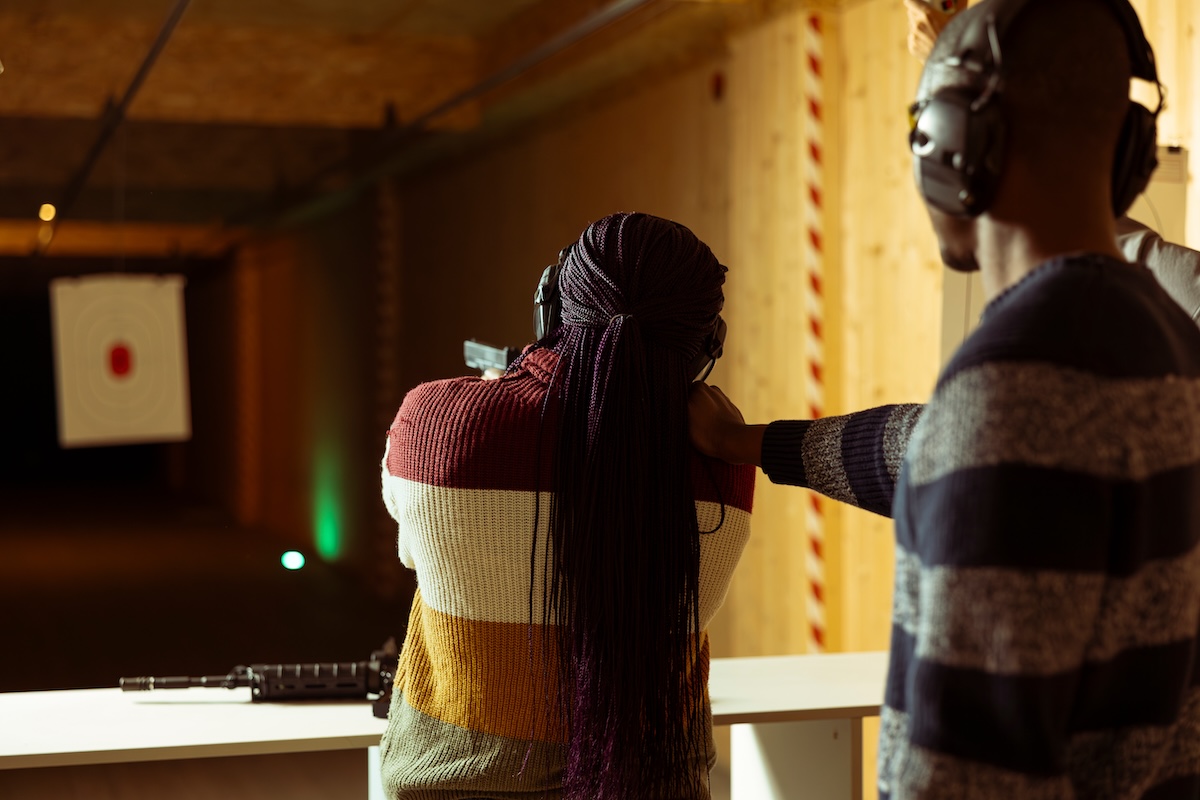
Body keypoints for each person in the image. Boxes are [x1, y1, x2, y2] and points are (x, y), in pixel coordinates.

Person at [691, 0, 1200, 798]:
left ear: (952, 147)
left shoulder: (1012, 393)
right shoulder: (1165, 346)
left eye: (921, 121)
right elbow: (924, 452)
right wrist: (749, 442)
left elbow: (961, 779)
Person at [379, 212, 755, 799]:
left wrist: (498, 400)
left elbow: (412, 550)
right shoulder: (725, 460)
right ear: (708, 345)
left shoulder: (435, 420)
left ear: (550, 307)